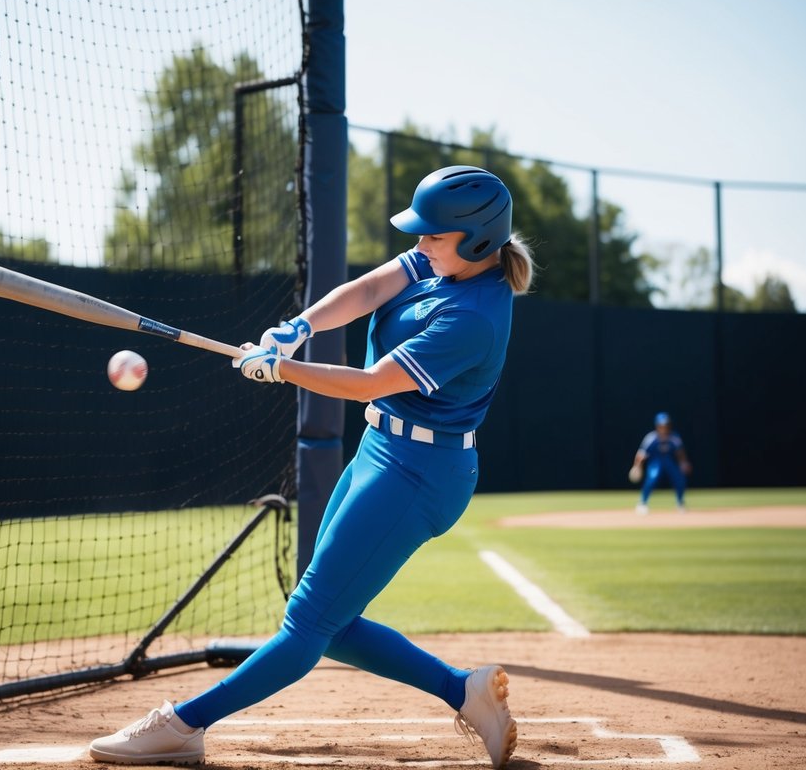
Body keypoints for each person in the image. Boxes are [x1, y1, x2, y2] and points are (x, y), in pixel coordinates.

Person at [89, 166, 535, 769]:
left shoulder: (474, 316)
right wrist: (297, 330)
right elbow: (368, 291)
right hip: (383, 452)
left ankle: (183, 725)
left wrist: (280, 369)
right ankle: (464, 691)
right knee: (332, 619)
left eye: (433, 235)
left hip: (420, 474)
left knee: (306, 624)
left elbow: (374, 382)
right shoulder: (439, 262)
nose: (421, 243)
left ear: (478, 240)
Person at [630, 412, 692, 514]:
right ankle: (642, 503)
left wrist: (684, 463)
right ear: (657, 426)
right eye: (662, 425)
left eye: (666, 425)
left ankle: (680, 503)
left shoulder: (674, 437)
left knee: (679, 478)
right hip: (656, 462)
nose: (664, 428)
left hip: (669, 461)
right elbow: (641, 454)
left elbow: (680, 452)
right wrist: (637, 466)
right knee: (652, 479)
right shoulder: (651, 437)